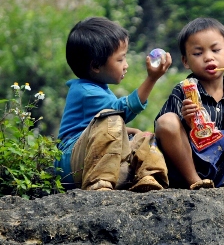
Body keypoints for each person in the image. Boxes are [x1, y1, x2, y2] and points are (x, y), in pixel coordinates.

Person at [55, 17, 172, 192]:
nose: (126, 65)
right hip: (72, 164)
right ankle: (99, 184)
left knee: (145, 136)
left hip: (93, 158)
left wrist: (133, 133)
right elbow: (121, 111)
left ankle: (148, 177)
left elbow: (106, 129)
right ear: (96, 66)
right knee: (112, 119)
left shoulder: (100, 88)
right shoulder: (85, 91)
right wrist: (151, 79)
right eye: (120, 59)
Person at [154, 17, 224, 189]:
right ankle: (195, 182)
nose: (208, 58)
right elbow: (162, 131)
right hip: (191, 162)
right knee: (167, 121)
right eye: (198, 53)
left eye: (215, 50)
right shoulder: (183, 91)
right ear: (186, 61)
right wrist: (186, 121)